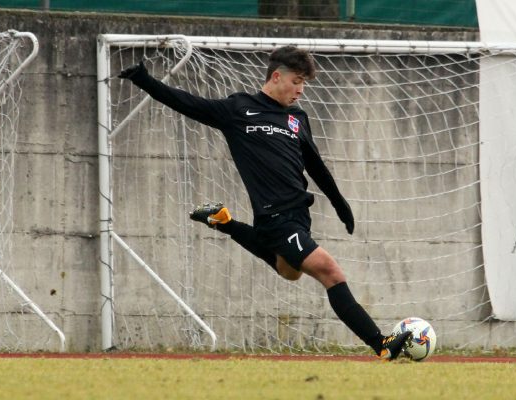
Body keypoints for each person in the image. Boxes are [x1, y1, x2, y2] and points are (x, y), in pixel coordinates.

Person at [118, 46, 412, 360]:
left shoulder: (297, 118)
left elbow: (314, 165)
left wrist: (340, 204)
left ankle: (223, 221)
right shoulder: (238, 109)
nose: (301, 90)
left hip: (299, 216)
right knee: (331, 273)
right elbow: (189, 104)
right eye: (297, 81)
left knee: (290, 272)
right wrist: (145, 81)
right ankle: (381, 345)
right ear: (276, 76)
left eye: (304, 84)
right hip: (276, 217)